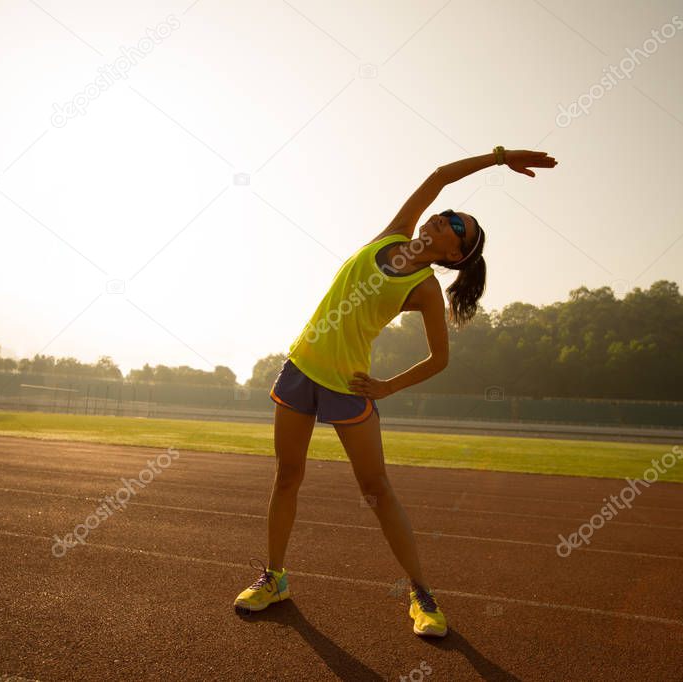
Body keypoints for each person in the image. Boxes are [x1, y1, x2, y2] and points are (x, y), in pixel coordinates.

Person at [233, 146, 558, 637]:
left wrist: (386, 387)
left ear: (454, 254)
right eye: (448, 214)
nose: (444, 218)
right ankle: (274, 578)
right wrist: (499, 157)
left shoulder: (425, 289)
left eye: (456, 225)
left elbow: (440, 359)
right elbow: (439, 176)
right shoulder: (393, 234)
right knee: (287, 477)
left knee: (376, 490)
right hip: (301, 369)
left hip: (348, 385)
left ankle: (421, 595)